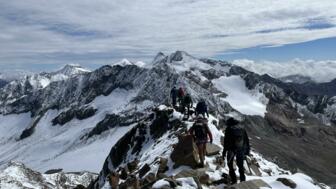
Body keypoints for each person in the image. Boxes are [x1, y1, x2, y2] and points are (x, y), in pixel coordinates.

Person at [222, 118, 250, 184]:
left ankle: (234, 180)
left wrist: (224, 152)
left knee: (230, 164)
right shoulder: (242, 128)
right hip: (241, 149)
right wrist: (247, 150)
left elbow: (226, 141)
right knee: (240, 165)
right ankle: (243, 180)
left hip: (231, 149)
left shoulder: (229, 128)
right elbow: (246, 140)